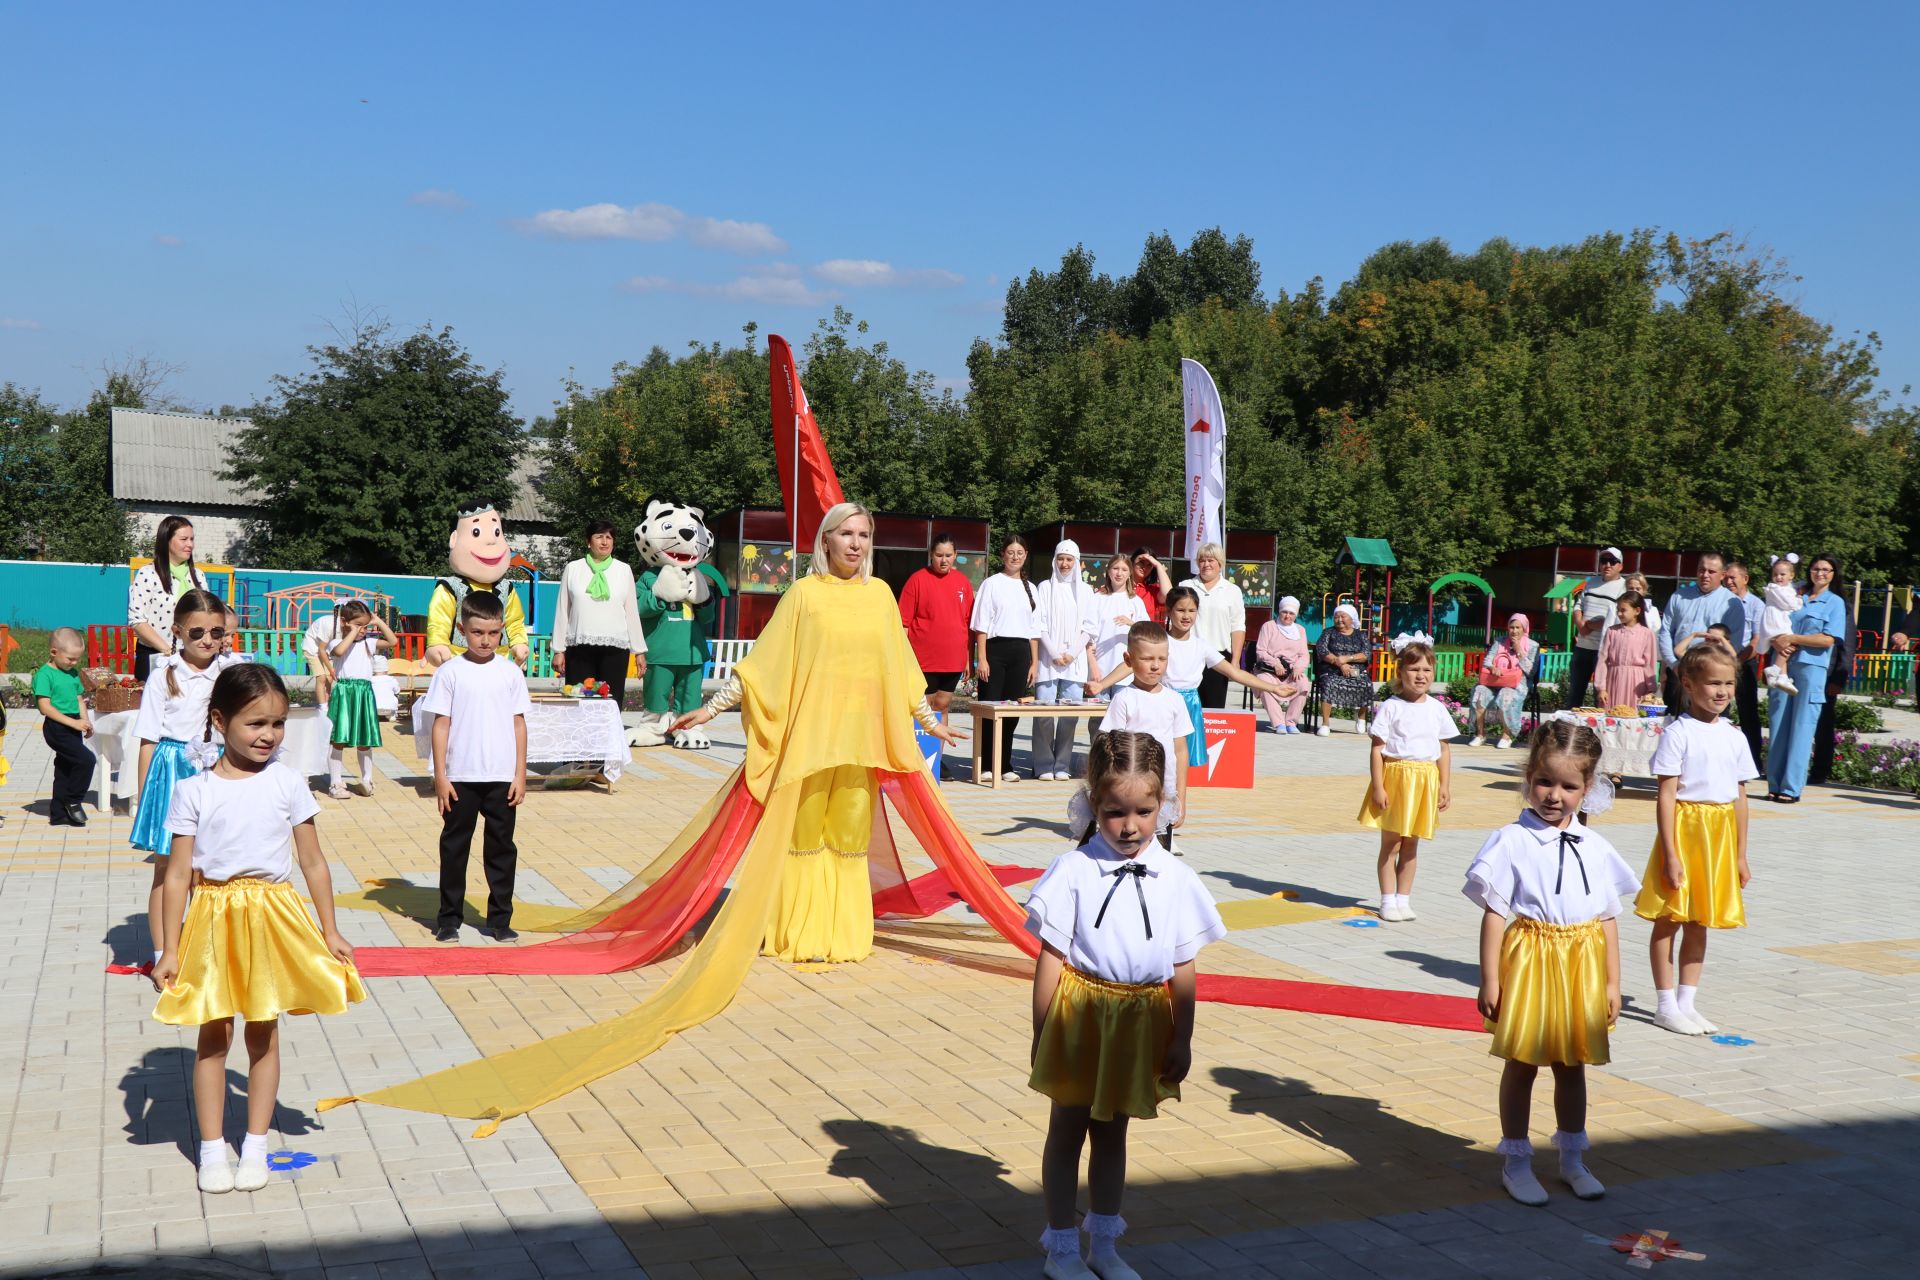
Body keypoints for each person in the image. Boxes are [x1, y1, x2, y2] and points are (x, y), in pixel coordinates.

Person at [675, 502, 964, 963]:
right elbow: (763, 666)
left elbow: (901, 670)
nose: (855, 543)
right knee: (803, 835)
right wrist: (710, 709)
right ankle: (795, 932)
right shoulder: (803, 595)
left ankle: (843, 935)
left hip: (859, 744)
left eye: (863, 535)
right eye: (846, 533)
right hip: (809, 743)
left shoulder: (881, 596)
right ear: (825, 539)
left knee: (848, 838)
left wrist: (930, 723)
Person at [151, 664, 365, 1194]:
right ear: (220, 721)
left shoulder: (289, 783)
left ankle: (255, 1144)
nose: (268, 735)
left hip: (273, 915)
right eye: (255, 724)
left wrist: (329, 929)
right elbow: (177, 874)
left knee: (263, 1031)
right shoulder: (193, 790)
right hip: (213, 917)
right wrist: (168, 947)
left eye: (278, 723)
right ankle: (210, 1150)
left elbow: (313, 863)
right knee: (213, 1034)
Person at [1024, 731, 1226, 1279]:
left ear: (1164, 806)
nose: (1131, 825)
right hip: (1080, 1015)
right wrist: (1043, 1032)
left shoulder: (1177, 878)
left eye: (1144, 810)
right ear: (1094, 804)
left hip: (1141, 1018)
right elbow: (1050, 957)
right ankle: (1061, 1250)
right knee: (1067, 1130)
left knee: (1114, 1133)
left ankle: (1104, 1246)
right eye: (1115, 812)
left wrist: (1182, 1036)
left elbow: (1183, 965)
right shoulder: (1072, 870)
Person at [1466, 721, 1639, 1207]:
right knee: (1522, 1064)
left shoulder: (1595, 846)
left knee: (1572, 1064)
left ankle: (1571, 1158)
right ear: (1528, 776)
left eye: (1569, 786)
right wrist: (1490, 978)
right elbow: (1495, 913)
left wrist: (1612, 983)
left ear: (1589, 788)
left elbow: (1607, 918)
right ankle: (1516, 1163)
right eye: (1545, 781)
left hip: (1582, 960)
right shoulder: (1510, 840)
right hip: (1531, 958)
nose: (1554, 796)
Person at [1633, 643, 1755, 1035]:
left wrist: (1739, 854)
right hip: (1685, 833)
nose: (1721, 691)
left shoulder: (1735, 736)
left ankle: (1688, 1001)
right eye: (1713, 683)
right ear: (1688, 683)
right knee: (1669, 918)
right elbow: (1666, 795)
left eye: (1729, 684)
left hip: (1718, 838)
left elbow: (1739, 797)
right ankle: (1665, 1003)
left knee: (1701, 920)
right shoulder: (1678, 733)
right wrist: (1670, 853)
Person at [132, 590, 251, 964]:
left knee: (208, 867)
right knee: (168, 866)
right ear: (178, 631)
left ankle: (203, 951)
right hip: (171, 773)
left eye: (216, 633)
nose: (207, 641)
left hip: (218, 771)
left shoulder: (230, 673)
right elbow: (148, 741)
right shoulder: (163, 675)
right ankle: (163, 952)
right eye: (197, 632)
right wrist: (143, 799)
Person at [1091, 588, 1287, 805]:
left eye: (1192, 610)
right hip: (1159, 701)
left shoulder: (1201, 646)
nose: (1186, 615)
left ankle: (1173, 804)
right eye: (1180, 610)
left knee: (1178, 760)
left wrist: (1273, 689)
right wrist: (1102, 684)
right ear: (1169, 611)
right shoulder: (1160, 642)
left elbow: (1233, 672)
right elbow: (1129, 666)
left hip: (1189, 705)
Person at [418, 591, 531, 942]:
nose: (486, 640)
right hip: (460, 778)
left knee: (501, 849)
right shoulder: (450, 672)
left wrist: (520, 774)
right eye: (478, 632)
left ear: (502, 632)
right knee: (455, 848)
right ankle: (449, 918)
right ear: (461, 629)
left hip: (501, 777)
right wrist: (440, 776)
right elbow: (441, 725)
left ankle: (499, 919)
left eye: (494, 633)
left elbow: (518, 724)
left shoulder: (510, 673)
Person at [1358, 637, 1455, 923]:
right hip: (1396, 778)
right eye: (1414, 670)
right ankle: (1387, 899)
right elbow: (1377, 748)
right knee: (1392, 844)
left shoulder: (1437, 708)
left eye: (1426, 669)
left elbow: (1444, 749)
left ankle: (1404, 899)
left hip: (1425, 780)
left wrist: (1445, 785)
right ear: (1400, 672)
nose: (1421, 676)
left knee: (1411, 844)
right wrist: (1378, 786)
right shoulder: (1391, 706)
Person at [1088, 622, 1193, 852]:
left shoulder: (1175, 700)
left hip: (1164, 793)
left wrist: (1181, 798)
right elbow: (1106, 747)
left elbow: (1181, 750)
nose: (1155, 666)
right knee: (1127, 848)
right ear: (1129, 660)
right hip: (1130, 794)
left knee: (1160, 854)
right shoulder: (1124, 699)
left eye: (1162, 659)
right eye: (1147, 659)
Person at [1763, 553, 1847, 802]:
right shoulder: (1792, 592)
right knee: (1778, 725)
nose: (1820, 573)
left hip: (1811, 670)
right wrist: (1778, 641)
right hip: (1782, 666)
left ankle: (1790, 788)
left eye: (1826, 570)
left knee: (1801, 728)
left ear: (1833, 574)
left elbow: (1828, 639)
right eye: (1815, 568)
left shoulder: (1835, 603)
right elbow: (1773, 618)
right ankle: (1774, 783)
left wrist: (1794, 639)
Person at [551, 519, 649, 708]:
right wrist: (558, 650)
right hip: (579, 647)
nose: (605, 542)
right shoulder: (573, 568)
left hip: (615, 649)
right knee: (579, 702)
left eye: (609, 537)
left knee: (610, 703)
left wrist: (639, 652)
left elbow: (632, 612)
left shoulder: (623, 570)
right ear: (589, 541)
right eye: (599, 537)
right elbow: (562, 611)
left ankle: (609, 738)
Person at [971, 535, 1041, 781]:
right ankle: (987, 764)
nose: (1015, 557)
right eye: (1010, 552)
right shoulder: (992, 583)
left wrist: (1034, 663)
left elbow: (1034, 630)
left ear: (1025, 555)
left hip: (1021, 652)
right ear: (1003, 555)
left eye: (1019, 552)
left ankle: (1005, 764)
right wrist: (983, 658)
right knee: (991, 706)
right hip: (995, 650)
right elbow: (981, 624)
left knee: (1012, 709)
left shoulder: (1030, 588)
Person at [1033, 541, 1097, 781]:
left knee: (1070, 715)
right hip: (1048, 661)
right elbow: (1040, 624)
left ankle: (1062, 764)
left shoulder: (1086, 591)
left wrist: (1071, 654)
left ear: (1077, 562)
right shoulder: (1044, 588)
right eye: (1061, 558)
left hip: (1075, 661)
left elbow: (1089, 627)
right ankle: (1042, 765)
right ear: (1054, 560)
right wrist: (1053, 653)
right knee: (1043, 713)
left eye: (1069, 559)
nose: (1065, 564)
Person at [898, 532, 976, 719]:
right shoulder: (917, 580)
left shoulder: (962, 582)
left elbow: (968, 623)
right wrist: (904, 657)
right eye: (939, 555)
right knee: (924, 707)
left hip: (953, 658)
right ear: (931, 554)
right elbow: (903, 624)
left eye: (948, 555)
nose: (943, 560)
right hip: (923, 657)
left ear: (955, 554)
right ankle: (919, 749)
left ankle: (938, 750)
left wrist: (968, 658)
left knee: (942, 705)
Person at [324, 600, 395, 800]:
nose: (363, 630)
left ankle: (367, 780)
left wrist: (377, 621)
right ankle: (335, 783)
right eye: (359, 625)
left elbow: (392, 641)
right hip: (344, 693)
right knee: (338, 739)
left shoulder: (369, 643)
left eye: (366, 626)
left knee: (365, 740)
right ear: (345, 622)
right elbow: (338, 652)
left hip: (364, 694)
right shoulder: (336, 643)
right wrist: (352, 633)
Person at [127, 516, 210, 683]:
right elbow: (137, 620)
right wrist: (169, 652)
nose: (190, 545)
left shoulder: (198, 576)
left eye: (192, 539)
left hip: (192, 658)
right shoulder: (148, 574)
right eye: (184, 539)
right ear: (166, 541)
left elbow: (207, 615)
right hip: (156, 657)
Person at [1658, 551, 1741, 711]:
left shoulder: (1732, 604)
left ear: (1723, 575)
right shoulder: (1679, 596)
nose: (1705, 575)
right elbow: (1666, 631)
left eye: (1711, 571)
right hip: (1679, 669)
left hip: (1712, 675)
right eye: (1701, 570)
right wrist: (1673, 664)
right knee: (1673, 722)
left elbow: (1734, 644)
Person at [33, 627, 94, 827]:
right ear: (54, 652)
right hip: (57, 727)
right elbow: (44, 707)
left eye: (77, 659)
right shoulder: (45, 674)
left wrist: (84, 721)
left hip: (73, 724)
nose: (74, 663)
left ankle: (58, 814)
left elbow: (79, 699)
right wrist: (73, 723)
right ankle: (74, 799)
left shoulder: (72, 673)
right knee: (86, 760)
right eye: (70, 659)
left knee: (65, 768)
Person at [1178, 544, 1247, 709]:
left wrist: (1235, 661)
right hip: (1188, 654)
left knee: (1214, 708)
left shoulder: (1232, 590)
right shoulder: (1185, 585)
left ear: (1220, 563)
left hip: (1218, 657)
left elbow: (1237, 626)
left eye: (1211, 560)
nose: (1206, 564)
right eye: (1202, 560)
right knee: (1185, 707)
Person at [1562, 548, 1626, 712]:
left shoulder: (1623, 587)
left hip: (1604, 651)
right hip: (1582, 647)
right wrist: (1580, 624)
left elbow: (1619, 617)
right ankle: (1568, 734)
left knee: (1601, 697)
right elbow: (1578, 605)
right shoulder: (1591, 582)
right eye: (1603, 561)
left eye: (1612, 562)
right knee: (1574, 695)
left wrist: (1589, 625)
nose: (1607, 565)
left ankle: (1598, 735)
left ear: (1620, 566)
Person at [1468, 613, 1539, 749]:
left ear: (1524, 628)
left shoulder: (1532, 646)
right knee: (1479, 691)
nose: (1514, 631)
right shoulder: (1500, 641)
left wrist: (1519, 651)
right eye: (1511, 627)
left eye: (1518, 627)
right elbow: (1487, 661)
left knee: (1506, 694)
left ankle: (1507, 735)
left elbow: (1531, 672)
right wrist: (1492, 667)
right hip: (1495, 681)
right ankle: (1480, 734)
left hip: (1519, 683)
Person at [1087, 554, 1149, 698]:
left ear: (1129, 574)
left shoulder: (1135, 601)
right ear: (1108, 571)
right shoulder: (1098, 599)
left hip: (1126, 672)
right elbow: (1089, 636)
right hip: (1101, 671)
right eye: (1115, 568)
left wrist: (1131, 623)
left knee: (1123, 716)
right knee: (1098, 718)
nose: (1119, 573)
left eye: (1124, 569)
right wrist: (1093, 666)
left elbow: (1147, 633)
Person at [1724, 560, 1767, 769]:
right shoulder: (1721, 601)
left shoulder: (1757, 605)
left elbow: (1756, 640)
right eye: (1727, 577)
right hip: (1720, 663)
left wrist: (1737, 661)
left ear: (1745, 579)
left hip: (1744, 664)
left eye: (1733, 577)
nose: (1729, 581)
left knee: (1748, 713)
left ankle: (1753, 762)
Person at [1253, 596, 1311, 734]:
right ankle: (1278, 723)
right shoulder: (1269, 626)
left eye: (1291, 613)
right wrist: (1275, 663)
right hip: (1268, 668)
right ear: (1279, 612)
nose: (1287, 616)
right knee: (1264, 684)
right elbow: (1260, 650)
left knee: (1303, 684)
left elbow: (1304, 654)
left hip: (1290, 671)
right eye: (1285, 612)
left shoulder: (1300, 630)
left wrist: (1298, 667)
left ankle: (1291, 722)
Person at [1314, 603, 1373, 736]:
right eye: (1336, 617)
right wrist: (1340, 664)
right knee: (1329, 683)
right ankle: (1325, 724)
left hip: (1355, 670)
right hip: (1331, 669)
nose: (1339, 619)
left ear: (1352, 619)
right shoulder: (1328, 632)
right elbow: (1322, 651)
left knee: (1366, 683)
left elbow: (1366, 654)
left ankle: (1362, 718)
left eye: (1343, 616)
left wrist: (1347, 658)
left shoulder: (1360, 635)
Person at [1593, 591, 1658, 711]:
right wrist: (1602, 688)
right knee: (1611, 716)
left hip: (1636, 684)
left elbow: (1650, 665)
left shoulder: (1647, 634)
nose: (1619, 613)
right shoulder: (1612, 632)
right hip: (1613, 681)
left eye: (1623, 610)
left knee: (1632, 715)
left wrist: (1651, 689)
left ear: (1637, 611)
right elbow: (1603, 660)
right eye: (1618, 610)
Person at [1755, 556, 1804, 695]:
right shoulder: (1774, 588)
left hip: (1780, 620)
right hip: (1775, 621)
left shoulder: (1789, 587)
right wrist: (1799, 600)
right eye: (1775, 574)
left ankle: (1782, 676)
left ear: (1791, 575)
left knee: (1783, 647)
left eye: (1782, 574)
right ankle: (1774, 670)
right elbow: (1788, 603)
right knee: (1788, 645)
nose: (1778, 577)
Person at [1129, 548, 1173, 621]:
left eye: (1149, 565)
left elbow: (1168, 595)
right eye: (1141, 562)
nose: (1144, 567)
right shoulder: (1119, 587)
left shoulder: (1152, 591)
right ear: (1132, 562)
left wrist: (1158, 565)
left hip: (1146, 631)